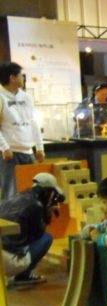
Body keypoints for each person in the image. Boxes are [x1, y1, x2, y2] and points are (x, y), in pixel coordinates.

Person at [0, 172, 64, 285]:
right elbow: (37, 236)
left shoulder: (15, 197)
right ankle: (24, 276)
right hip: (8, 261)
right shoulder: (36, 206)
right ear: (48, 192)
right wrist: (47, 214)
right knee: (46, 238)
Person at [0, 62, 45, 202]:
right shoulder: (1, 96)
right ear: (12, 78)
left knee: (31, 191)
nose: (23, 78)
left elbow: (34, 122)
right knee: (11, 194)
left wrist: (39, 147)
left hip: (28, 152)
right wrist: (4, 147)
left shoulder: (26, 97)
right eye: (21, 75)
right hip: (10, 153)